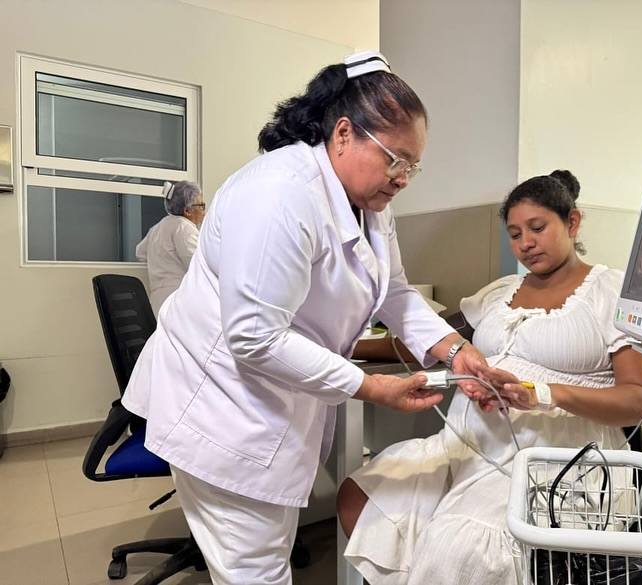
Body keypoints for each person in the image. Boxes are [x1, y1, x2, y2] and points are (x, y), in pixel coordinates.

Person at [120, 51, 487, 585]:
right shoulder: (280, 193)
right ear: (343, 133)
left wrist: (456, 350)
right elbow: (255, 336)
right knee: (255, 571)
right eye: (395, 159)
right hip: (224, 408)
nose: (403, 178)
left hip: (267, 402)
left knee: (264, 559)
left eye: (413, 166)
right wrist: (370, 386)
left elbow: (395, 291)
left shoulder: (370, 204)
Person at [337, 170, 642, 585]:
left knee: (457, 545)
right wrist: (341, 345)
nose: (525, 243)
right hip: (466, 444)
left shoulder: (611, 293)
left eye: (537, 228)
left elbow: (638, 401)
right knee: (364, 495)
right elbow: (429, 339)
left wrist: (542, 394)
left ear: (572, 222)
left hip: (550, 461)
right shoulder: (501, 292)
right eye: (515, 234)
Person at [136, 180, 206, 316]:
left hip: (157, 301)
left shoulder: (159, 226)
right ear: (187, 211)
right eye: (201, 205)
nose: (204, 210)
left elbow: (140, 252)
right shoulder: (184, 227)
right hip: (178, 300)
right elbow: (198, 264)